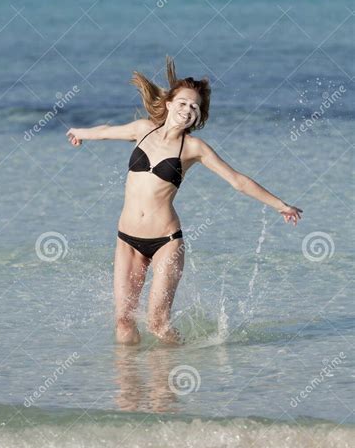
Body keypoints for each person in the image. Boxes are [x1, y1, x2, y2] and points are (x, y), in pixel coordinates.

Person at [66, 57, 302, 346]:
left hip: (166, 242)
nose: (188, 109)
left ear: (198, 117)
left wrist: (280, 205)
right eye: (183, 103)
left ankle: (172, 377)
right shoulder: (142, 129)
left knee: (157, 324)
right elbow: (105, 132)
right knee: (124, 323)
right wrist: (80, 133)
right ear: (168, 104)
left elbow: (237, 180)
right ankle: (128, 387)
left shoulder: (194, 148)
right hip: (127, 240)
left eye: (194, 107)